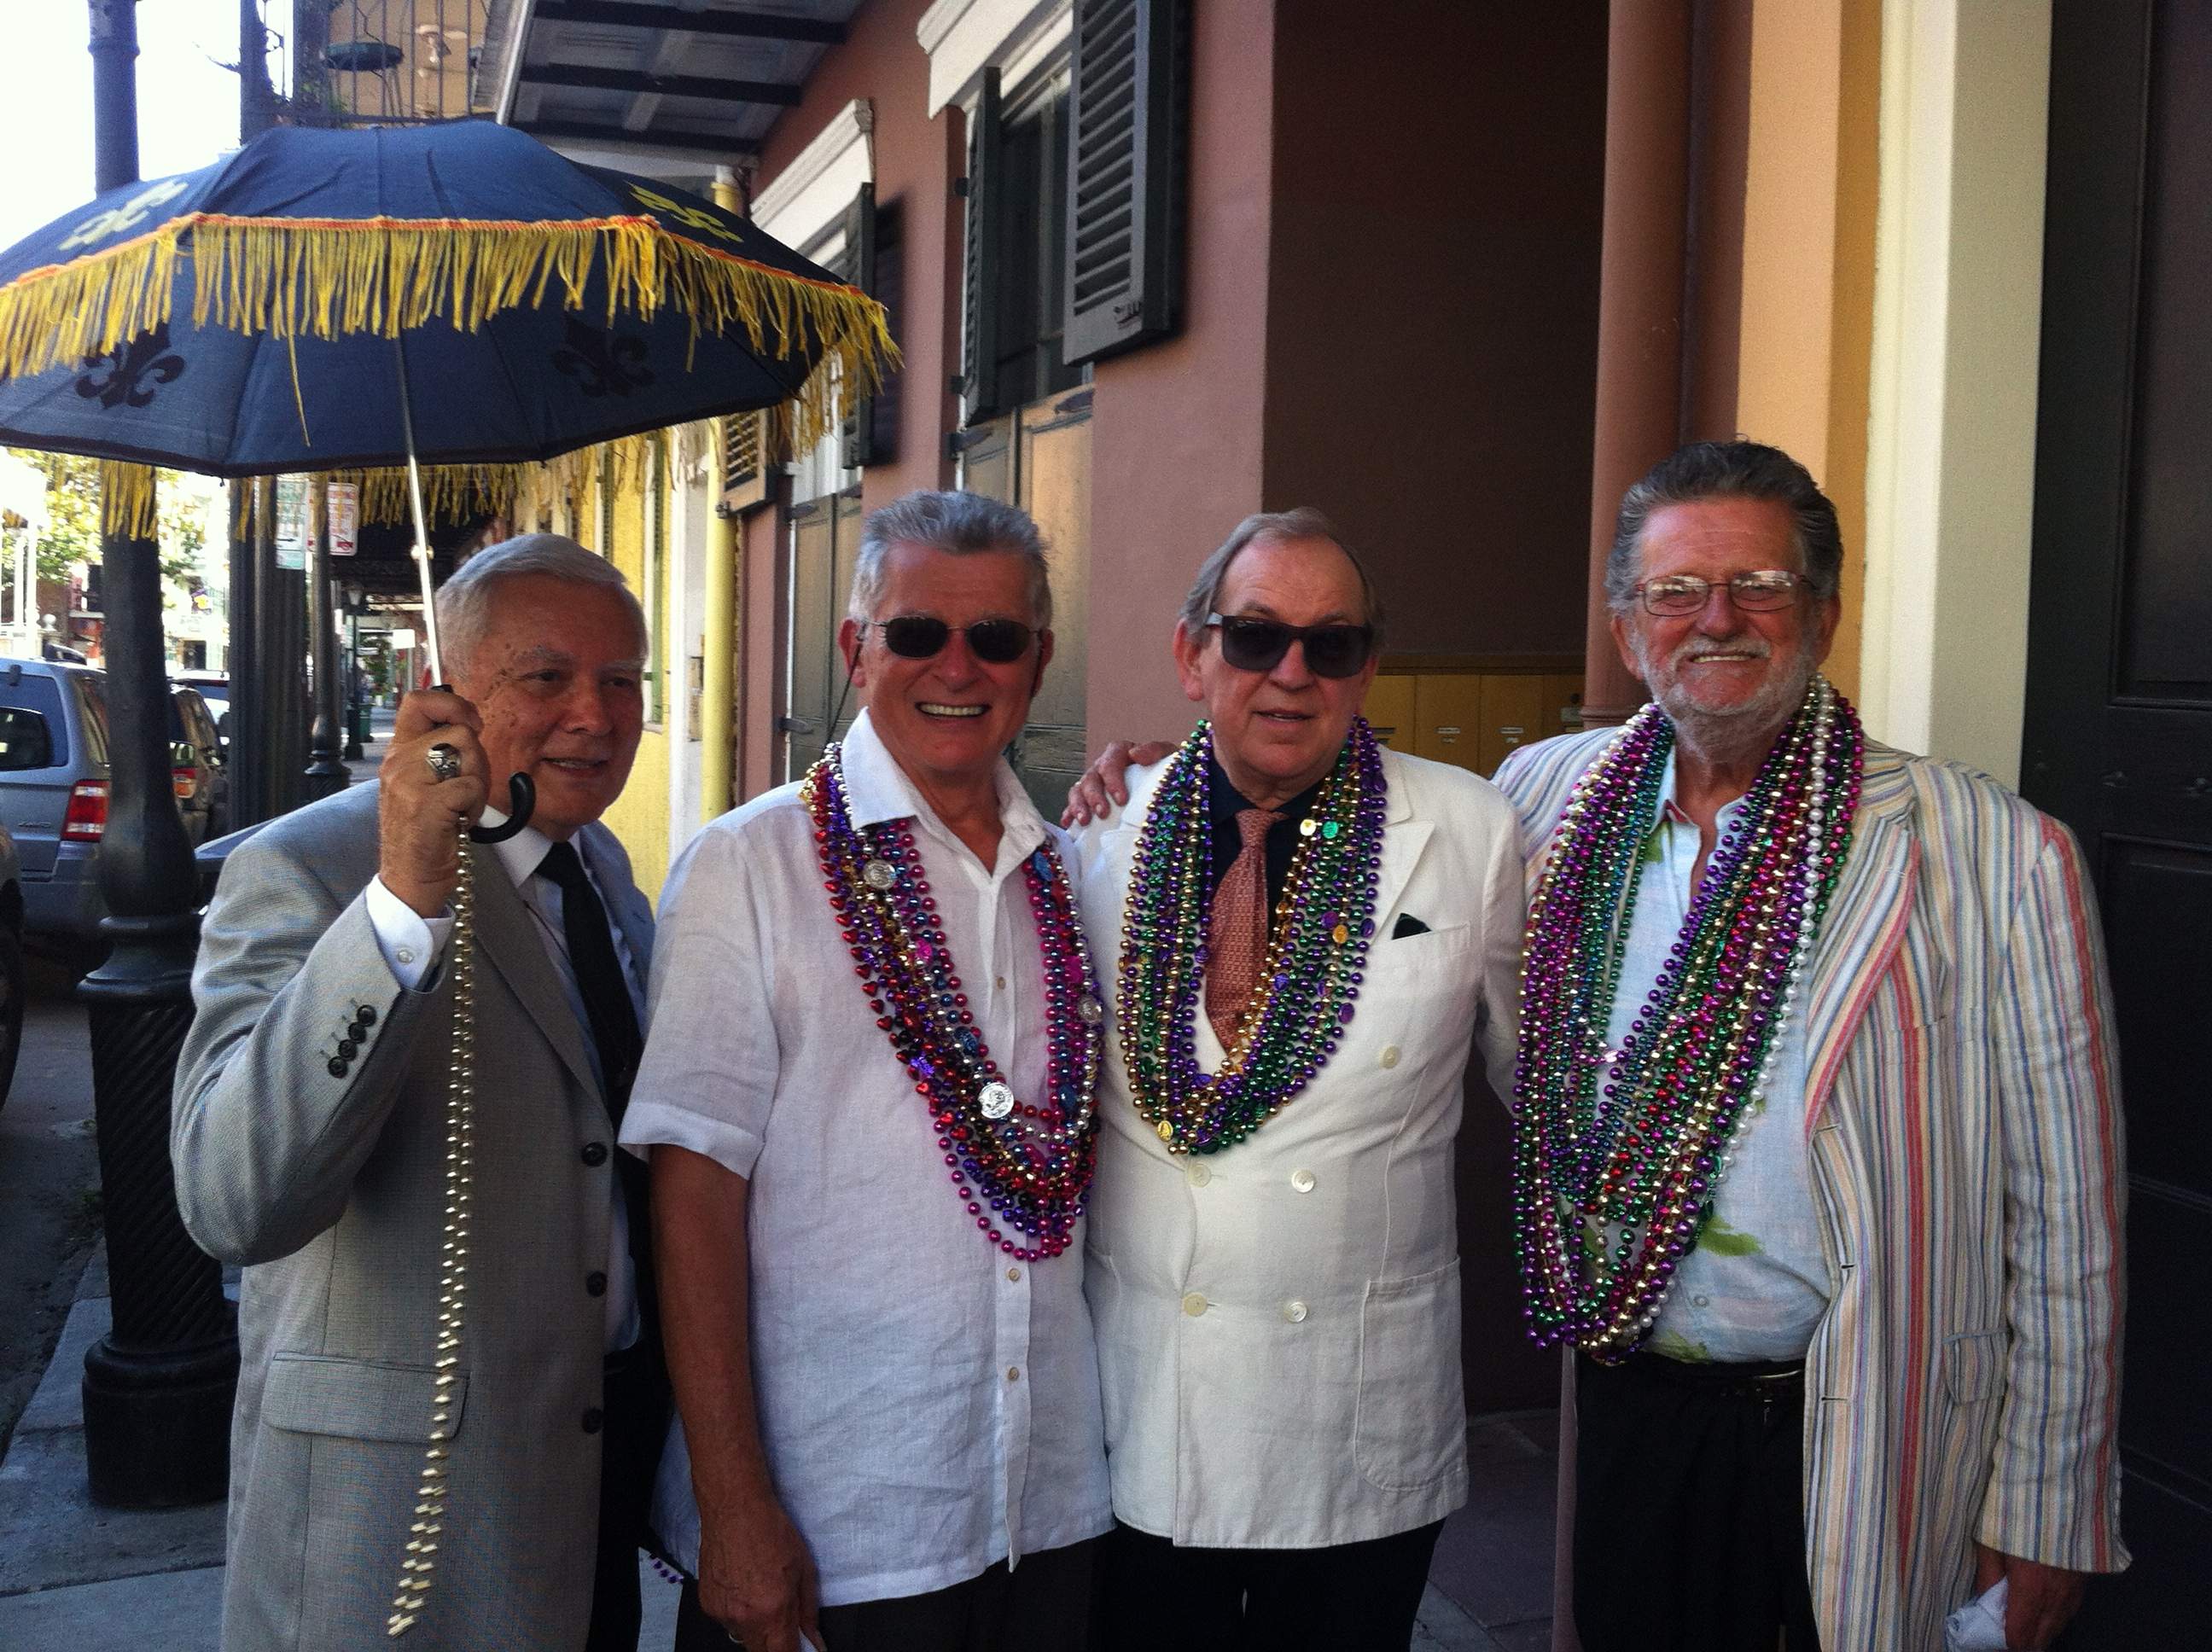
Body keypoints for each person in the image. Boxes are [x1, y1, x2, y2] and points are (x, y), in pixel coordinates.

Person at [1495, 440, 2126, 1652]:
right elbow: (1373, 841)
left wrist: (2052, 1507)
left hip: (1871, 1422)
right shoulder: (1541, 800)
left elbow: (2070, 1216)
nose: (1717, 619)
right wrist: (1167, 782)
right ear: (1627, 629)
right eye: (1677, 591)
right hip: (1629, 1400)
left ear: (1825, 615)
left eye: (1761, 586)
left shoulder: (1995, 852)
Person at [622, 490, 1111, 1652]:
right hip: (839, 1519)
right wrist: (734, 1507)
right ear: (855, 648)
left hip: (1051, 1506)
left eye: (996, 637)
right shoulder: (750, 866)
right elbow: (693, 1201)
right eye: (917, 632)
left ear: (1039, 662)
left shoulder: (1075, 871)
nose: (959, 666)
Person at [173, 534, 667, 1651]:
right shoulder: (309, 868)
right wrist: (401, 907)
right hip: (392, 1528)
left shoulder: (602, 871)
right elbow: (232, 1198)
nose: (595, 714)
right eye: (546, 677)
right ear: (444, 692)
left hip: (582, 1497)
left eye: (621, 679)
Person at [1062, 509, 1523, 1650]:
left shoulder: (1471, 829)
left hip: (1356, 1411)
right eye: (1257, 636)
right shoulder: (1093, 839)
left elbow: (1539, 1079)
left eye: (1333, 643)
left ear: (1368, 667)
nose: (1292, 672)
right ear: (1193, 655)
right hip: (1147, 1397)